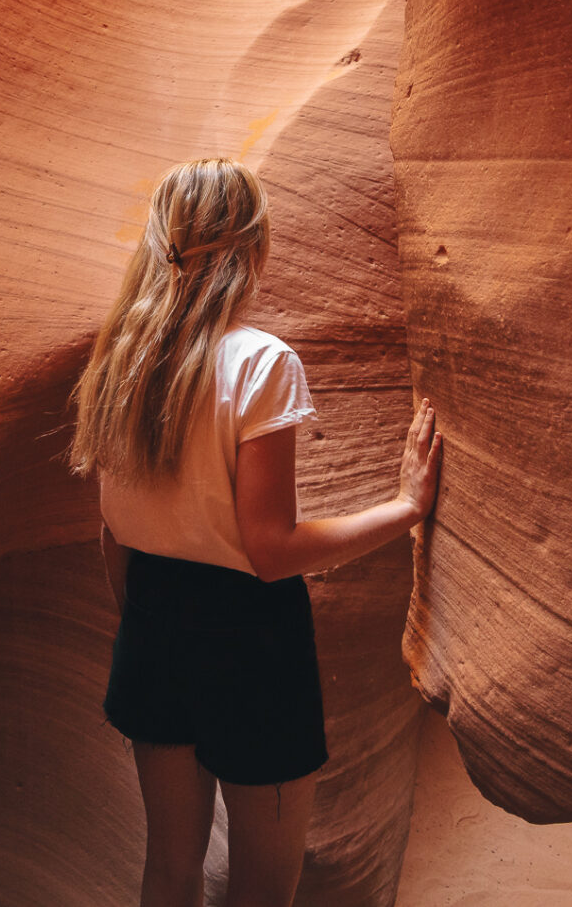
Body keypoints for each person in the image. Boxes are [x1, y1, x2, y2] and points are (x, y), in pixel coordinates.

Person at [69, 158, 443, 907]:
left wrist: (148, 625)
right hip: (250, 643)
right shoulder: (260, 363)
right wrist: (404, 507)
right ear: (252, 245)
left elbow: (113, 534)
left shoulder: (121, 357)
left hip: (151, 622)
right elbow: (272, 551)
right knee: (264, 889)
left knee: (169, 871)